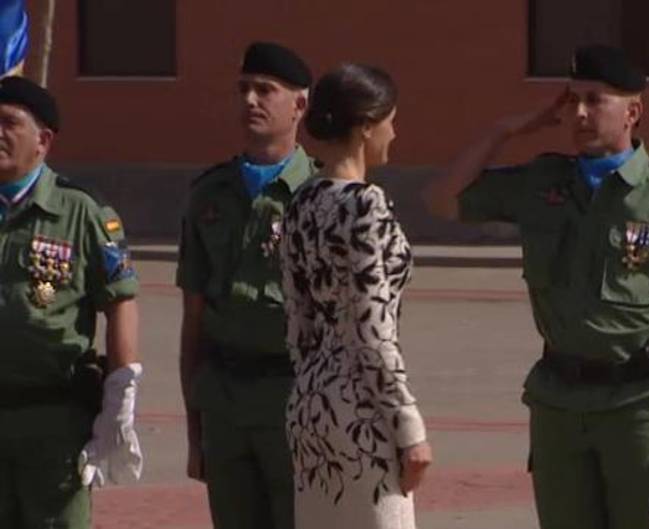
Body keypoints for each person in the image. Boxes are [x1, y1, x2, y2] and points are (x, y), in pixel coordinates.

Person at [423, 44, 649, 529]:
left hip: (639, 407)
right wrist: (506, 130)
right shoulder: (543, 183)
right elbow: (440, 201)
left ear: (633, 112)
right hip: (558, 402)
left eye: (595, 100)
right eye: (572, 100)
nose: (578, 113)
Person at [280, 63, 432, 529]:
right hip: (362, 413)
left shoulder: (301, 201)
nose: (394, 131)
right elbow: (372, 329)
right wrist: (409, 426)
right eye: (389, 119)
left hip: (309, 402)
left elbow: (296, 322)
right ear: (366, 126)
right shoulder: (367, 204)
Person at [176, 41, 315, 529]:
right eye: (243, 90)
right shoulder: (209, 194)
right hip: (224, 401)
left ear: (300, 104)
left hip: (294, 400)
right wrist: (195, 432)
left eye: (265, 90)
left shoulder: (321, 195)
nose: (250, 100)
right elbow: (193, 319)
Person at [0, 76, 142, 529]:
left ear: (42, 140)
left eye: (7, 123)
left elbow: (120, 301)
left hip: (53, 422)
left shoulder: (80, 211)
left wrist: (121, 399)